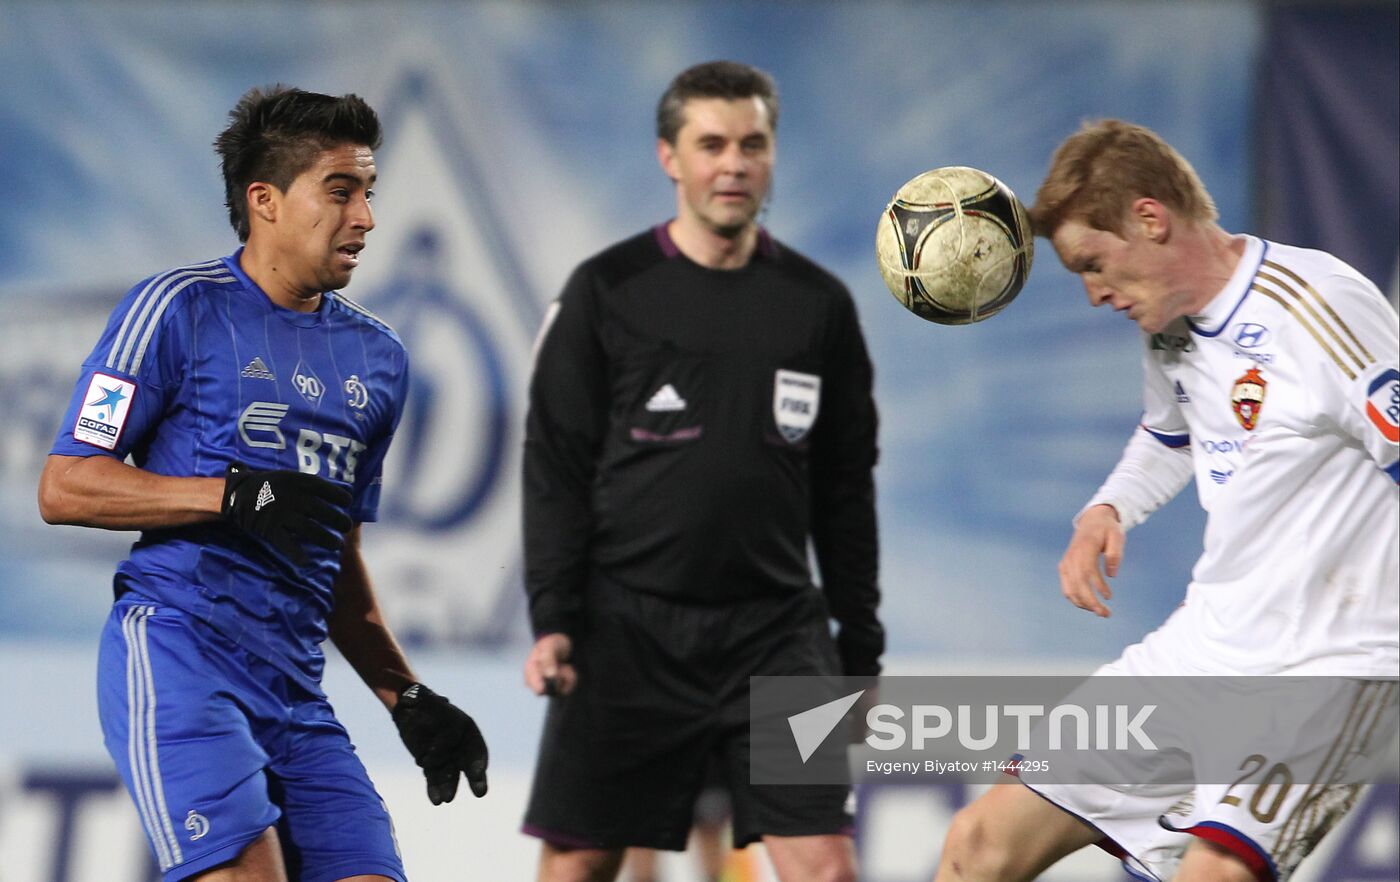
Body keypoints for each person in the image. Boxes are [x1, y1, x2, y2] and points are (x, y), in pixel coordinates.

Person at [38, 85, 489, 882]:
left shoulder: (380, 361)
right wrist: (230, 495)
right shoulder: (176, 309)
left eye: (370, 194)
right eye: (341, 192)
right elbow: (67, 485)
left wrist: (404, 695)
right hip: (181, 654)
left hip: (295, 693)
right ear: (265, 201)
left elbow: (333, 556)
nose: (366, 219)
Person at [934, 119, 1398, 882]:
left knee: (1213, 874)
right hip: (1206, 648)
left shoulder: (1318, 307)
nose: (1092, 295)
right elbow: (1169, 432)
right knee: (978, 844)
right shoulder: (1168, 325)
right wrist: (1106, 510)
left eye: (1093, 263)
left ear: (1150, 218)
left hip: (1330, 665)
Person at [519, 60, 883, 882]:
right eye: (711, 143)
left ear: (772, 155)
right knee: (577, 864)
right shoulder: (604, 293)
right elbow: (555, 468)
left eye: (752, 144)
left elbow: (845, 489)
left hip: (779, 634)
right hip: (626, 631)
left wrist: (859, 649)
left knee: (826, 865)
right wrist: (555, 617)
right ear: (668, 157)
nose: (734, 164)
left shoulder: (819, 304)